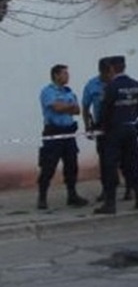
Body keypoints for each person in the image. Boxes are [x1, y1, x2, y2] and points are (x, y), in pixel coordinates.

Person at [94, 56, 138, 214]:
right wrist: (129, 118)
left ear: (112, 68)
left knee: (110, 166)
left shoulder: (111, 87)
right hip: (131, 129)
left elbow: (105, 110)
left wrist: (100, 126)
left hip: (114, 131)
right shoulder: (136, 85)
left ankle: (110, 204)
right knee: (133, 165)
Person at [37, 64, 89, 210]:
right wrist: (68, 106)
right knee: (48, 166)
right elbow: (56, 108)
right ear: (56, 75)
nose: (68, 76)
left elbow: (77, 110)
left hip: (68, 133)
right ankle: (42, 197)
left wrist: (65, 106)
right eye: (64, 73)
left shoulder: (68, 92)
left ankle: (72, 195)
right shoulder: (48, 91)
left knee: (72, 165)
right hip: (53, 133)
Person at [82, 57, 133, 203]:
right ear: (102, 71)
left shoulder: (119, 83)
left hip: (120, 125)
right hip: (102, 126)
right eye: (107, 73)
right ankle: (107, 190)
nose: (109, 75)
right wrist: (88, 126)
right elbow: (85, 107)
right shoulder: (92, 85)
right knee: (105, 161)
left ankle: (130, 188)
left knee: (125, 159)